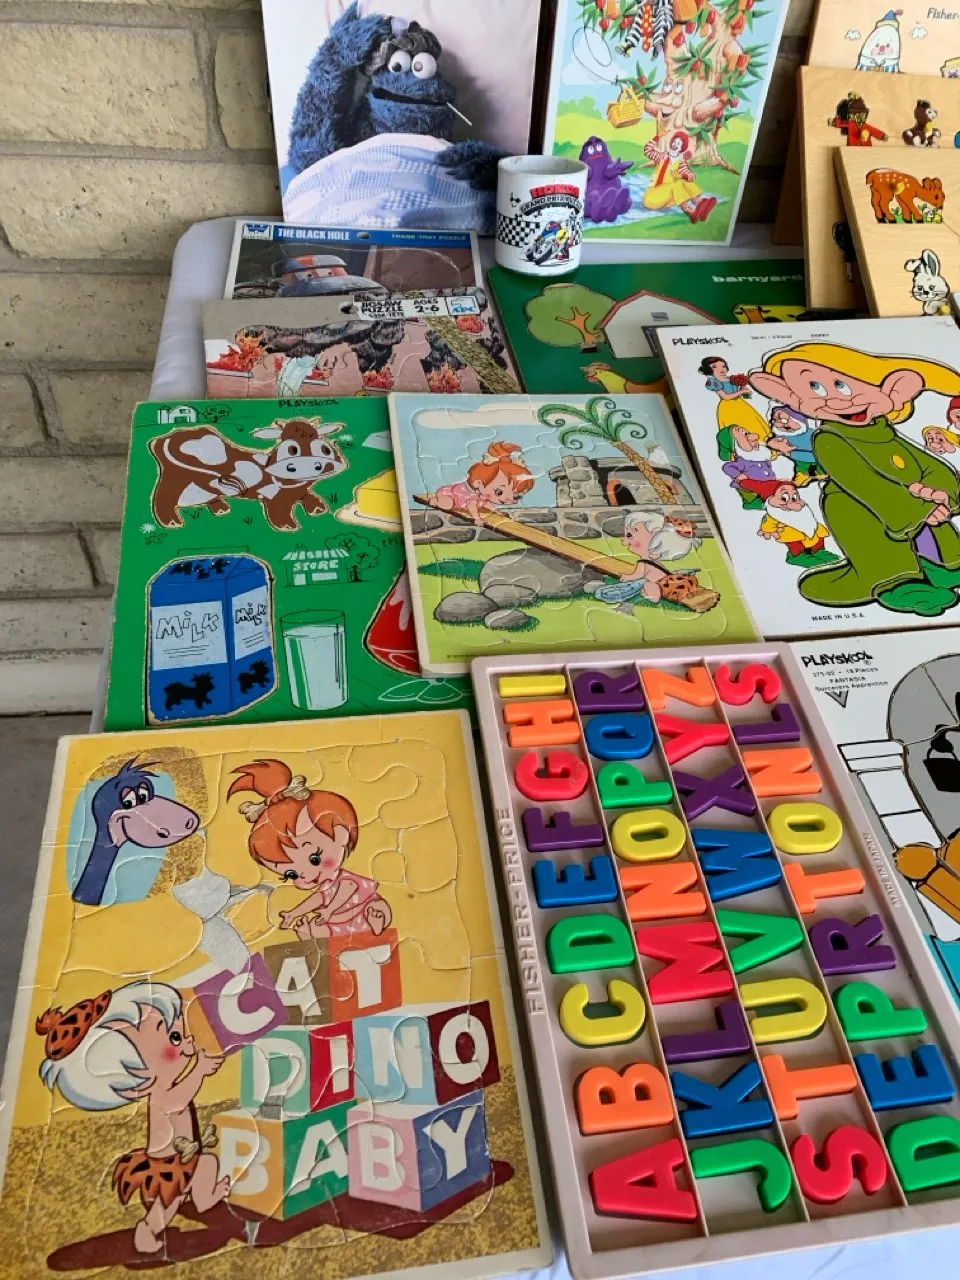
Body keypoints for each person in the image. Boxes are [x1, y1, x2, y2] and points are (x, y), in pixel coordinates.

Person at [750, 341, 960, 616]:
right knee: (884, 547)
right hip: (858, 507)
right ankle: (897, 584)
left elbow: (929, 464)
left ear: (894, 392)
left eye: (843, 386)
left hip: (914, 502)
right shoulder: (829, 439)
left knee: (939, 534)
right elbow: (864, 484)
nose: (839, 400)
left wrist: (941, 492)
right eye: (815, 388)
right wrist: (919, 508)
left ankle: (942, 568)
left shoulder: (885, 432)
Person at [36, 981, 229, 1254]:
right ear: (133, 1074)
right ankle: (147, 1232)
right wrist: (199, 1071)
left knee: (206, 1166)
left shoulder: (167, 1085)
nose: (188, 1041)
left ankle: (204, 1198)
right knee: (168, 1204)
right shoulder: (162, 1095)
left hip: (185, 1156)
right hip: (167, 1164)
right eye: (175, 1037)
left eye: (179, 1031)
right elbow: (176, 1101)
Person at [229, 759, 392, 939]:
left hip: (364, 906)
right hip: (343, 922)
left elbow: (348, 889)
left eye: (315, 859)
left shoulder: (345, 879)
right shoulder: (326, 886)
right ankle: (313, 933)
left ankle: (376, 918)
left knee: (376, 906)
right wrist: (293, 913)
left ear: (342, 834)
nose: (305, 876)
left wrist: (329, 910)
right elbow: (318, 899)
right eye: (291, 874)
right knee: (319, 928)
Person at [590, 510, 701, 610]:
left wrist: (626, 577)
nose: (624, 540)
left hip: (660, 585)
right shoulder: (655, 562)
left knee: (645, 586)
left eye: (629, 535)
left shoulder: (643, 562)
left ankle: (655, 594)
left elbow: (637, 575)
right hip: (669, 581)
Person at [428, 441, 535, 525]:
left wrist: (497, 512)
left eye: (516, 496)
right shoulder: (473, 498)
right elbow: (472, 507)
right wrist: (477, 519)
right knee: (448, 504)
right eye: (499, 492)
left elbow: (485, 503)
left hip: (459, 496)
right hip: (450, 495)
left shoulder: (483, 495)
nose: (509, 499)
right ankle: (434, 500)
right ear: (479, 484)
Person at [642, 131, 716, 223]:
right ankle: (690, 211)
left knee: (683, 181)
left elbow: (691, 176)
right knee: (676, 184)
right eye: (674, 142)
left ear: (682, 147)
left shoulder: (681, 162)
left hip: (669, 199)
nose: (675, 144)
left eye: (678, 143)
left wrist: (682, 175)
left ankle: (699, 203)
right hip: (653, 197)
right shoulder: (661, 157)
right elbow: (647, 150)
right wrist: (657, 137)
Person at [759, 481, 837, 566]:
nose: (791, 501)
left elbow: (809, 519)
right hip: (793, 535)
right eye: (784, 498)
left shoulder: (803, 509)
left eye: (794, 497)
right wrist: (769, 531)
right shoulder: (774, 513)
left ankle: (819, 551)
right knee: (796, 545)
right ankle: (797, 556)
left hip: (811, 531)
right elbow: (768, 524)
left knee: (818, 537)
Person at [717, 423, 793, 509]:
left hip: (767, 484)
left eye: (747, 433)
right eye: (745, 437)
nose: (752, 438)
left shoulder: (761, 457)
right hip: (749, 487)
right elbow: (727, 467)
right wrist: (739, 475)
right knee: (753, 497)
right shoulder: (743, 462)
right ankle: (755, 504)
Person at [768, 404, 822, 483]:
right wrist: (776, 448)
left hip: (817, 457)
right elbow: (772, 443)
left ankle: (821, 473)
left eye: (785, 420)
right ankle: (802, 474)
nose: (781, 424)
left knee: (821, 466)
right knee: (801, 466)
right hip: (798, 458)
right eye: (775, 421)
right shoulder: (781, 436)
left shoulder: (810, 433)